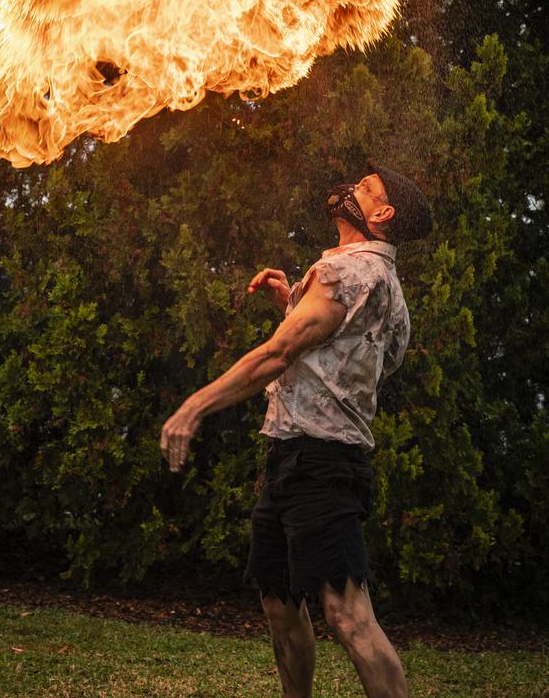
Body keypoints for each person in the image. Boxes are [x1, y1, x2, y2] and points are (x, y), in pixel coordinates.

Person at [160, 160, 432, 698]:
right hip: (294, 455)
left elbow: (280, 354)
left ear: (382, 213)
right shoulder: (381, 283)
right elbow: (361, 357)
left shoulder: (351, 274)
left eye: (366, 187)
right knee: (280, 603)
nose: (353, 187)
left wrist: (193, 406)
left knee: (348, 615)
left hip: (322, 462)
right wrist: (294, 305)